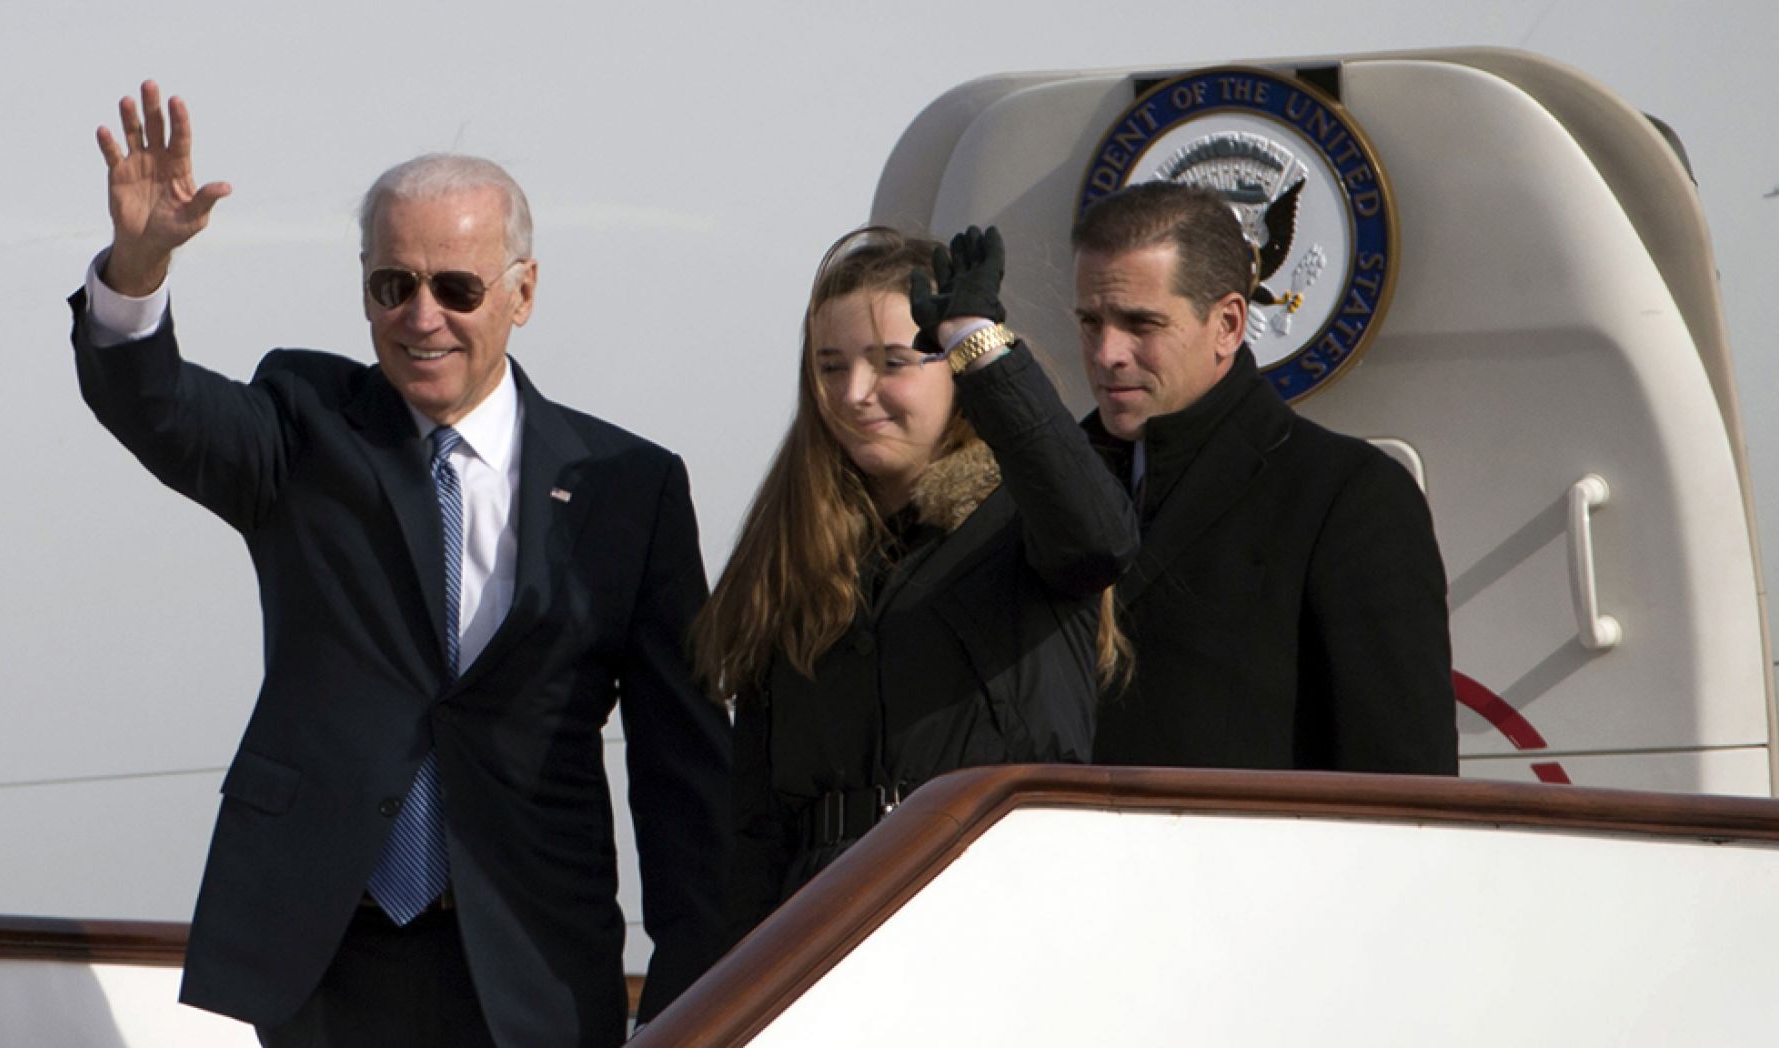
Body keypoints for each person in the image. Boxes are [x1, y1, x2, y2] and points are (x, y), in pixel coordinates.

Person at [70, 82, 729, 1047]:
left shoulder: (629, 486)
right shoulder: (304, 421)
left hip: (534, 957)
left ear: (523, 292)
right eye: (393, 285)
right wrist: (136, 269)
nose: (423, 317)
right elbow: (154, 404)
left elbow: (684, 769)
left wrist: (695, 990)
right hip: (327, 950)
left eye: (457, 287)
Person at [693, 226, 1139, 939]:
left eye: (891, 362)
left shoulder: (1026, 516)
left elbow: (1101, 540)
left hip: (998, 908)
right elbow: (756, 825)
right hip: (823, 925)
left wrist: (979, 342)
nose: (855, 394)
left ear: (955, 370)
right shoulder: (790, 549)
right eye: (831, 367)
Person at [1071, 180, 1457, 773]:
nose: (1106, 353)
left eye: (1140, 325)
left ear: (1227, 324)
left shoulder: (1346, 495)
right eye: (1091, 322)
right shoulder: (1043, 487)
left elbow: (1403, 781)